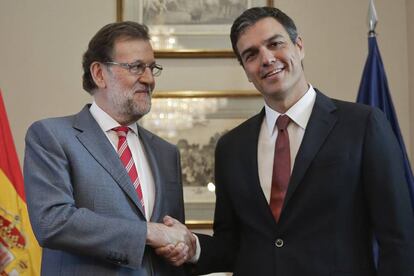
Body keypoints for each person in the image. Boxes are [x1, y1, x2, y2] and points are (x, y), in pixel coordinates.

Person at [157, 6, 414, 275]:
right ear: (246, 69)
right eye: (251, 54)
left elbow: (399, 239)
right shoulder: (231, 147)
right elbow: (231, 245)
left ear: (299, 46)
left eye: (275, 44)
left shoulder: (363, 125)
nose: (266, 59)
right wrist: (192, 246)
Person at [23, 21, 195, 275]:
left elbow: (171, 234)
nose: (148, 79)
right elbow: (53, 222)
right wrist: (149, 232)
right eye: (136, 67)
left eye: (152, 68)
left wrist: (180, 247)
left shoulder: (167, 152)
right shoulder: (51, 136)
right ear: (99, 74)